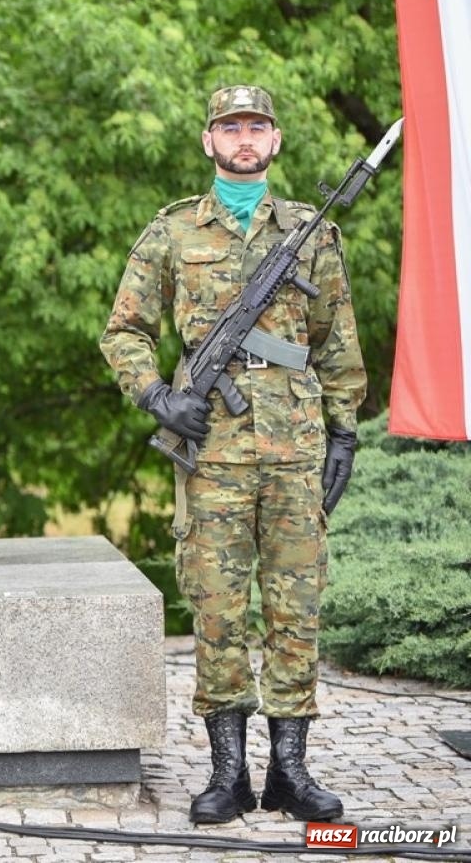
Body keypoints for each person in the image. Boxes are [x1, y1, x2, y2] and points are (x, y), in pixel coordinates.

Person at [100, 86, 366, 825]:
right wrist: (157, 396)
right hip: (211, 445)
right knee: (217, 611)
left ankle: (289, 772)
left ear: (275, 141)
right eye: (230, 127)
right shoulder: (174, 231)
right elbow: (122, 332)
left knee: (295, 607)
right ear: (208, 140)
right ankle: (227, 774)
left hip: (294, 445)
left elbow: (337, 341)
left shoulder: (311, 233)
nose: (244, 139)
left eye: (256, 127)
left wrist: (345, 431)